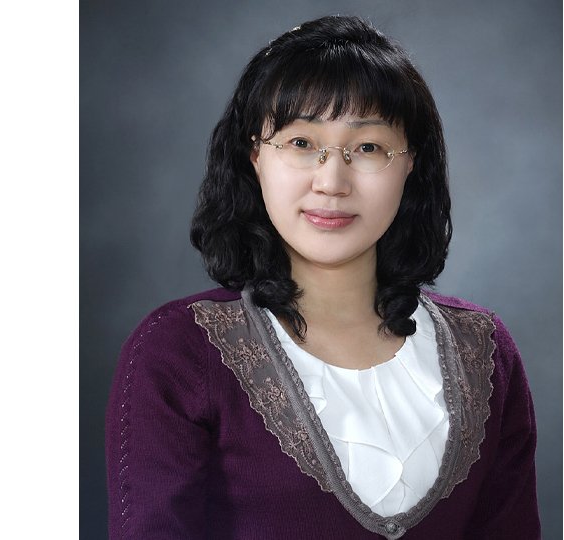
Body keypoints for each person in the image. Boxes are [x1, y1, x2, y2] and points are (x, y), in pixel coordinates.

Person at [105, 15, 540, 539]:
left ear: (411, 164)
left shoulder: (484, 352)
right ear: (255, 156)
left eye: (368, 147)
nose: (332, 181)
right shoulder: (178, 353)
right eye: (301, 143)